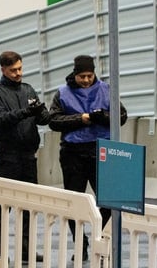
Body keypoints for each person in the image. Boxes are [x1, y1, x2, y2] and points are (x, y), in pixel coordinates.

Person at [48, 54, 127, 261]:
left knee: (110, 199)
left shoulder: (106, 89)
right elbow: (53, 121)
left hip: (101, 149)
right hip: (73, 152)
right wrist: (80, 119)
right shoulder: (63, 93)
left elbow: (122, 116)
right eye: (82, 76)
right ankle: (81, 245)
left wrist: (104, 117)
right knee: (75, 202)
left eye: (89, 76)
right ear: (75, 74)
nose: (85, 80)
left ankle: (99, 235)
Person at [0, 50, 51, 261]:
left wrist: (40, 112)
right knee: (3, 204)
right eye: (13, 70)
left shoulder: (28, 89)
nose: (18, 73)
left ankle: (26, 249)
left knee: (29, 206)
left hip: (28, 156)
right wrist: (26, 112)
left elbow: (43, 120)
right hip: (7, 156)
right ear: (3, 69)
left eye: (20, 68)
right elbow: (0, 118)